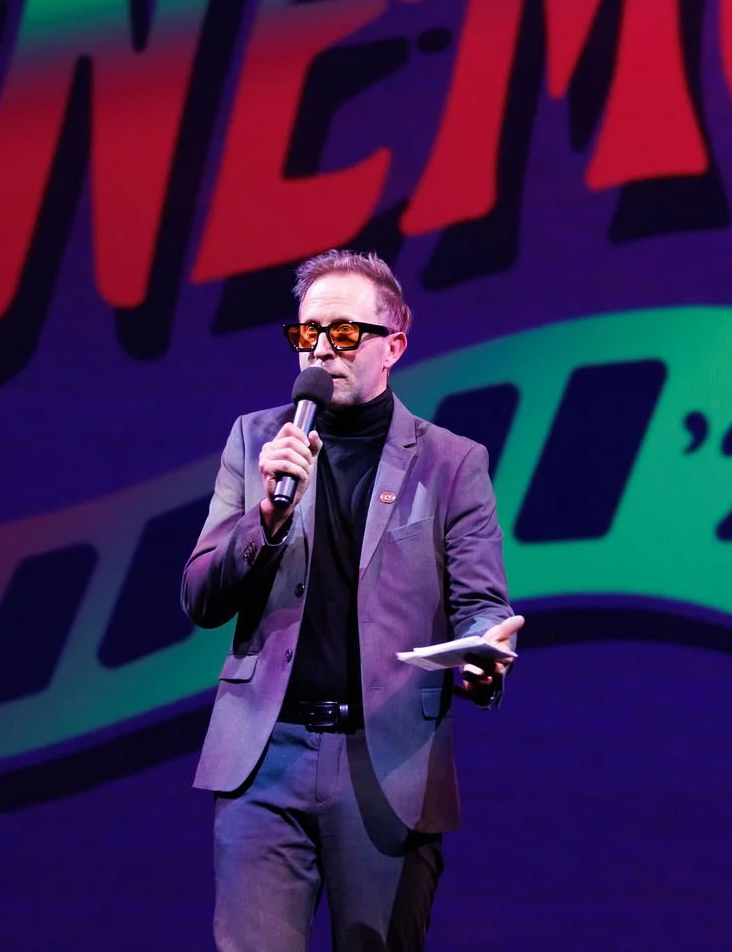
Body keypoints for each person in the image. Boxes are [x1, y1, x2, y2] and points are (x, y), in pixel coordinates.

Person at [180, 249, 521, 951]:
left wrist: (487, 652)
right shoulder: (258, 442)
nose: (321, 351)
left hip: (386, 757)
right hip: (263, 757)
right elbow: (200, 595)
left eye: (343, 334)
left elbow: (481, 601)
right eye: (308, 334)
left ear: (394, 344)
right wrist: (264, 523)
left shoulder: (451, 462)